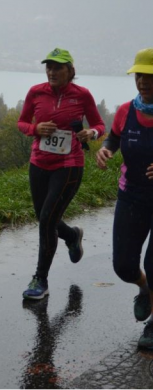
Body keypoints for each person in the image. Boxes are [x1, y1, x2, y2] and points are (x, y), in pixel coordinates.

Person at [17, 48, 105, 300]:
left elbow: (99, 125)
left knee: (47, 219)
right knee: (45, 219)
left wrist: (92, 133)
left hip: (69, 165)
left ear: (70, 71)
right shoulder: (36, 92)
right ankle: (72, 235)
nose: (52, 72)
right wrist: (35, 128)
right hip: (39, 163)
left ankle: (40, 280)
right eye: (49, 67)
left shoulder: (82, 95)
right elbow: (22, 122)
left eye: (58, 67)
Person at [96, 47, 153, 349]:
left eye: (150, 76)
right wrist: (107, 148)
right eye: (139, 75)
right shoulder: (125, 110)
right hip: (131, 195)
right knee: (123, 266)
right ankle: (145, 289)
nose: (143, 81)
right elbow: (115, 135)